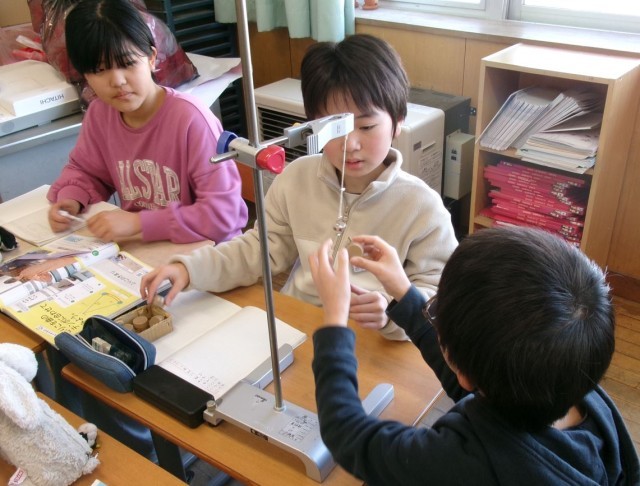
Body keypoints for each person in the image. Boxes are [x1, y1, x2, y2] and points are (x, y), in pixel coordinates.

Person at [141, 34, 458, 340]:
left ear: (398, 121)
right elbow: (258, 250)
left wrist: (392, 312)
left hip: (372, 342)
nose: (350, 144)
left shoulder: (423, 207)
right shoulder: (296, 179)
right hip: (299, 326)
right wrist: (190, 269)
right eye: (335, 128)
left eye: (366, 126)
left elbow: (441, 299)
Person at [307, 226, 640, 485]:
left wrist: (335, 322)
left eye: (436, 313)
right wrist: (405, 292)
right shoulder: (575, 387)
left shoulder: (463, 460)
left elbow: (348, 436)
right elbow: (480, 382)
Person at [46, 0, 247, 244]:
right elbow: (87, 171)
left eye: (127, 63)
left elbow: (222, 215)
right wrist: (72, 197)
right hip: (147, 248)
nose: (117, 81)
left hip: (209, 252)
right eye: (99, 70)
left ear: (151, 58)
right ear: (85, 75)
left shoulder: (191, 120)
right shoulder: (100, 114)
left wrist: (138, 223)